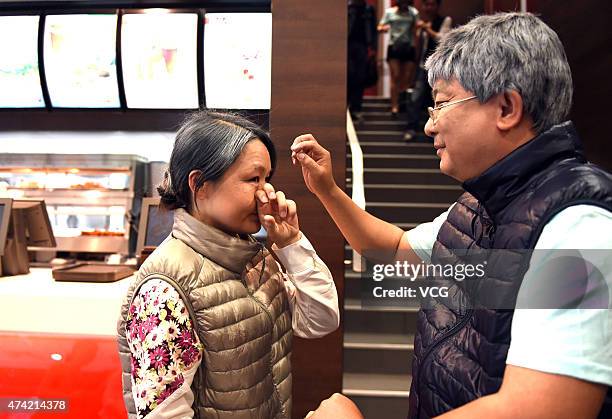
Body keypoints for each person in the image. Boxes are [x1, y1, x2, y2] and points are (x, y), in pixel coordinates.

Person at [292, 12, 612, 419]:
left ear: (507, 108)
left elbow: (541, 409)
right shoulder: (478, 205)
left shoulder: (580, 224)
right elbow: (392, 248)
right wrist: (328, 190)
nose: (429, 126)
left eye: (442, 104)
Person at [117, 111, 340, 418]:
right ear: (200, 185)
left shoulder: (254, 257)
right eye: (252, 179)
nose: (266, 193)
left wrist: (291, 244)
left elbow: (320, 320)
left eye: (266, 179)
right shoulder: (162, 290)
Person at [404, 0, 452, 141]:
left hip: (438, 69)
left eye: (432, 4)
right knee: (415, 98)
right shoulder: (421, 21)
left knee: (437, 100)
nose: (428, 8)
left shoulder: (445, 20)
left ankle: (438, 132)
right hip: (422, 66)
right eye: (426, 4)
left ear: (437, 6)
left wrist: (427, 29)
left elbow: (443, 38)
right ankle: (411, 128)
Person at [378, 0, 419, 117]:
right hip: (394, 46)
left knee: (406, 77)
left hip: (408, 46)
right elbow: (380, 25)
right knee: (395, 76)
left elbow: (417, 28)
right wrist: (383, 28)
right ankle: (394, 105)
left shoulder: (413, 12)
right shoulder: (390, 12)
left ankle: (402, 101)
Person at [347, 0, 377, 122]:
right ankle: (347, 105)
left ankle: (356, 108)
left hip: (362, 46)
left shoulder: (368, 9)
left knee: (359, 78)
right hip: (346, 45)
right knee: (348, 76)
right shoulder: (347, 8)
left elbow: (373, 30)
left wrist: (374, 48)